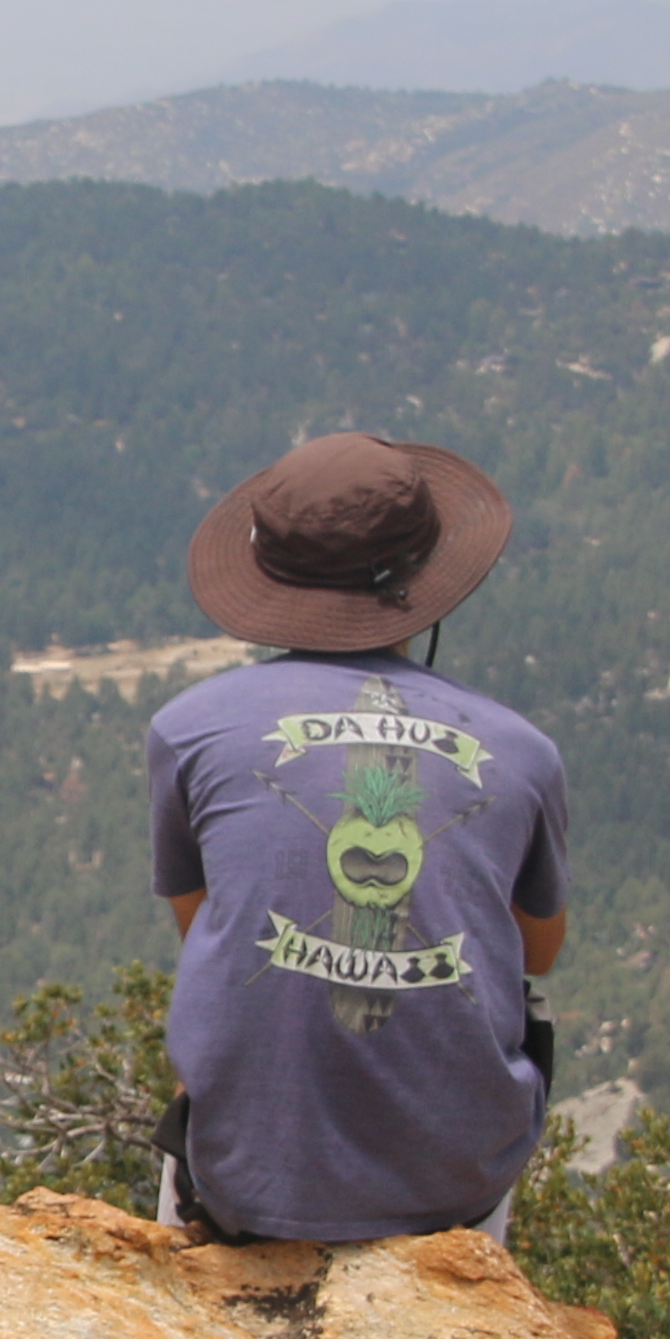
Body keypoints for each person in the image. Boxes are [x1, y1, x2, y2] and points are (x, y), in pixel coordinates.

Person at [145, 431, 572, 1242]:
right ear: (421, 575)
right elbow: (537, 952)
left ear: (268, 574)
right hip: (454, 1196)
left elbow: (205, 924)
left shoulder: (189, 730)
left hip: (240, 1180)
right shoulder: (521, 752)